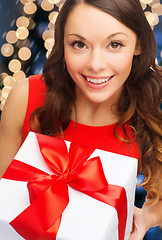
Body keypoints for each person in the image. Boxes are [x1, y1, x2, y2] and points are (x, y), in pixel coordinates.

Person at [0, 0, 161, 239]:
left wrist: (147, 216)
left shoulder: (151, 110)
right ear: (62, 44)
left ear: (138, 44)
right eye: (79, 44)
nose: (95, 65)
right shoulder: (25, 97)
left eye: (114, 44)